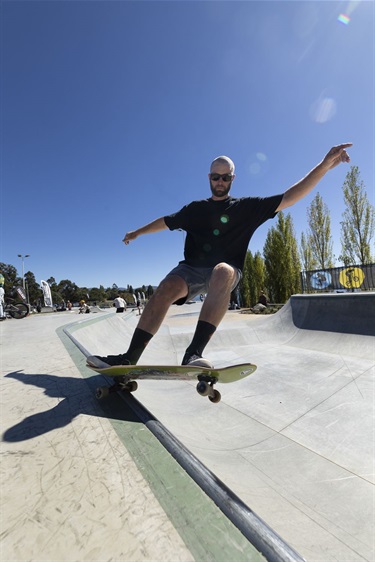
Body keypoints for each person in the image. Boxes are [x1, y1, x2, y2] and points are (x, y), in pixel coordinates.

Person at [88, 143, 352, 369]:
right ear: (209, 178)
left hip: (226, 272)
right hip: (191, 269)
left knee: (222, 271)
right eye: (216, 177)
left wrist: (324, 164)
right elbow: (165, 222)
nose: (220, 182)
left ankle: (193, 354)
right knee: (167, 286)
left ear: (233, 179)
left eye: (225, 178)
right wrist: (137, 232)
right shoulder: (195, 209)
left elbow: (290, 197)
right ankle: (128, 358)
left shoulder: (247, 208)